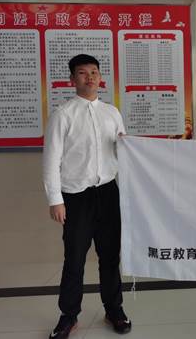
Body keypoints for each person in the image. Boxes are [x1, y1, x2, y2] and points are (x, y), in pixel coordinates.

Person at [43, 54, 131, 338]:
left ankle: (114, 309)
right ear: (73, 79)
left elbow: (122, 152)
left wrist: (125, 147)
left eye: (94, 72)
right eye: (82, 73)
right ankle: (68, 316)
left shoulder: (112, 113)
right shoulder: (63, 114)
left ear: (100, 77)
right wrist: (55, 199)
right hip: (76, 196)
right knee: (74, 259)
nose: (90, 77)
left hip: (108, 192)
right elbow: (51, 160)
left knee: (110, 256)